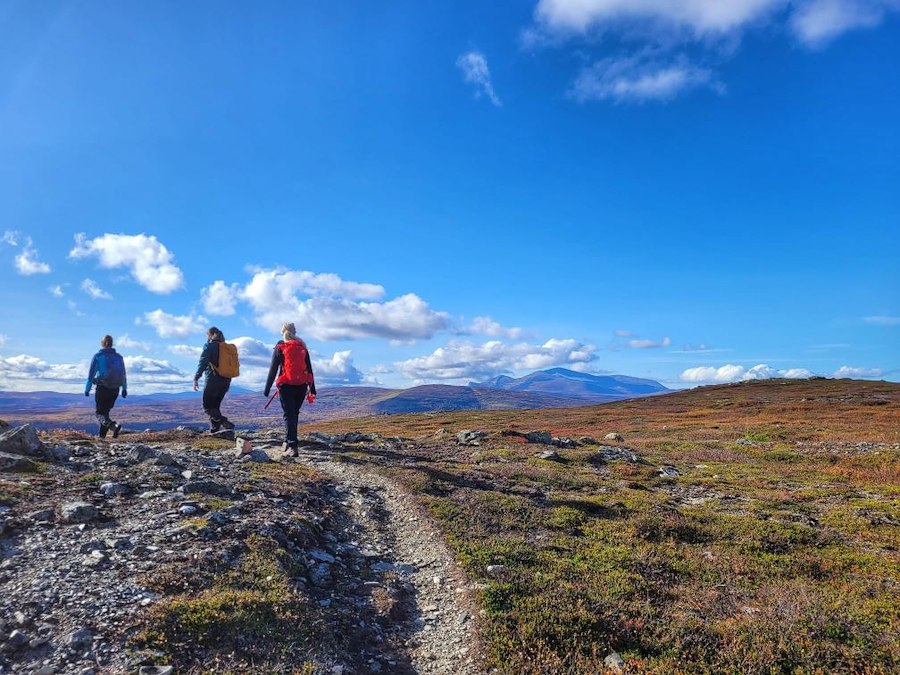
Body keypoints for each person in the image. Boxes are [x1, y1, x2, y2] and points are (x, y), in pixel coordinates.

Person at [264, 322, 316, 457]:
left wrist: (267, 388)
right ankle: (287, 441)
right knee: (294, 414)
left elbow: (273, 369)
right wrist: (312, 388)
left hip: (286, 386)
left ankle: (293, 445)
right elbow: (309, 368)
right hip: (301, 386)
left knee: (289, 414)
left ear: (282, 332)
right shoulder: (302, 346)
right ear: (295, 332)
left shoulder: (280, 346)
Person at [193, 326, 235, 433]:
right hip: (226, 380)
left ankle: (223, 421)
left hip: (213, 380)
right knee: (215, 406)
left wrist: (196, 377)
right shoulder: (228, 348)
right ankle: (215, 430)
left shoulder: (209, 346)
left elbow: (203, 362)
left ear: (210, 335)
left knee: (207, 406)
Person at [85, 335, 127, 438]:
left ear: (102, 343)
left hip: (102, 388)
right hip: (115, 389)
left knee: (99, 413)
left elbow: (91, 374)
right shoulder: (119, 357)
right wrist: (124, 388)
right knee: (105, 413)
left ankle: (113, 426)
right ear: (112, 343)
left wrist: (87, 388)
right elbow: (123, 373)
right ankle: (102, 439)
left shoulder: (98, 356)